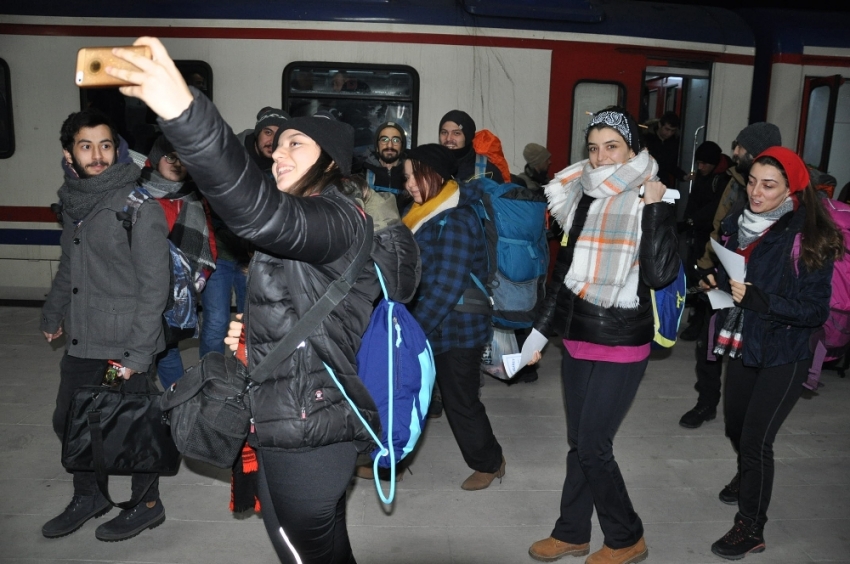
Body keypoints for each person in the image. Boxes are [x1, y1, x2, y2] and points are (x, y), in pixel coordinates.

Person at [108, 37, 417, 563]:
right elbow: (312, 306)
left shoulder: (335, 217)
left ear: (330, 162)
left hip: (308, 432)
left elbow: (252, 211)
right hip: (300, 416)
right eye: (278, 144)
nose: (278, 152)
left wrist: (186, 113)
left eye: (297, 143)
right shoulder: (315, 220)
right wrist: (256, 333)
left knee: (303, 552)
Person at [527, 107, 679, 564]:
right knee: (581, 444)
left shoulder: (657, 196)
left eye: (611, 146)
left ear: (632, 147)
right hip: (577, 336)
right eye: (593, 149)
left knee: (594, 446)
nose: (600, 158)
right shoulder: (585, 196)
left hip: (623, 339)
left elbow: (659, 274)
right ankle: (572, 532)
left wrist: (653, 208)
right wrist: (538, 335)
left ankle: (626, 536)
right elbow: (564, 274)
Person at [703, 146, 841, 560]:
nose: (756, 193)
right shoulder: (736, 223)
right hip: (745, 340)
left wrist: (763, 301)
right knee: (735, 427)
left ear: (791, 189)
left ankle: (750, 528)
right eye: (751, 182)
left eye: (769, 185)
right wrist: (717, 282)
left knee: (756, 441)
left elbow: (815, 309)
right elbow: (739, 280)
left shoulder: (808, 235)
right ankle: (747, 476)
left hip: (786, 349)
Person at [40, 108, 170, 541]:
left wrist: (136, 355)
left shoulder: (137, 208)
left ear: (118, 151)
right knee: (70, 419)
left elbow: (155, 288)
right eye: (86, 145)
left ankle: (147, 503)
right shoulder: (74, 204)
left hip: (122, 348)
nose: (97, 155)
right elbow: (68, 267)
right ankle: (90, 494)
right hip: (81, 340)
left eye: (105, 145)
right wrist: (53, 311)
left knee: (132, 422)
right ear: (69, 153)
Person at [401, 143, 506, 491]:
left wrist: (412, 330)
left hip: (458, 329)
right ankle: (390, 461)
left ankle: (489, 462)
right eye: (406, 178)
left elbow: (447, 284)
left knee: (460, 400)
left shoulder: (457, 218)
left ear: (435, 175)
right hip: (429, 321)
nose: (410, 185)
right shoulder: (423, 213)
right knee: (405, 395)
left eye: (415, 176)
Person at [679, 122, 782, 429]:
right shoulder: (735, 179)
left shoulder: (779, 186)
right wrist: (706, 264)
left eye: (740, 146)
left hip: (759, 286)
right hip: (724, 276)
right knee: (708, 345)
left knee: (749, 355)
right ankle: (706, 403)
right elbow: (720, 225)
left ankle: (748, 415)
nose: (734, 151)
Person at [198, 106, 286, 359]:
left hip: (259, 256)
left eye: (278, 135)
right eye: (267, 132)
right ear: (257, 134)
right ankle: (208, 380)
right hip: (223, 252)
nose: (272, 140)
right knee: (216, 322)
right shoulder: (231, 158)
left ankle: (244, 377)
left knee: (254, 322)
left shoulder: (284, 166)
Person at [139, 135, 216, 388]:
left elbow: (208, 241)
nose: (178, 163)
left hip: (176, 291)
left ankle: (178, 403)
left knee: (167, 346)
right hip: (137, 286)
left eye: (184, 158)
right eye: (171, 156)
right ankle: (126, 403)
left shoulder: (192, 197)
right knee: (133, 349)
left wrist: (201, 275)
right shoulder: (134, 193)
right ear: (155, 158)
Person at [678, 141, 730, 342]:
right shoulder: (706, 175)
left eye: (704, 163)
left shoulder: (724, 179)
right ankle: (696, 318)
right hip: (697, 233)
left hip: (712, 236)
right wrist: (688, 221)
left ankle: (701, 322)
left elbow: (716, 208)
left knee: (706, 279)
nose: (700, 167)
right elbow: (694, 199)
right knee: (695, 274)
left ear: (714, 163)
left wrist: (692, 220)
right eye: (698, 163)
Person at [355, 121, 411, 213]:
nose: (390, 145)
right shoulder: (361, 173)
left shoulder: (412, 176)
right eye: (384, 140)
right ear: (377, 146)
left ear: (402, 147)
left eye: (396, 140)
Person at [439, 110, 504, 184]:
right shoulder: (430, 167)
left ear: (468, 137)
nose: (448, 138)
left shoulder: (488, 171)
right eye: (444, 132)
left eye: (456, 133)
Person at [642, 111, 693, 187]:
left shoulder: (674, 142)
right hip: (645, 179)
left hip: (662, 181)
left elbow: (671, 165)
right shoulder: (646, 138)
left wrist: (683, 176)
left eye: (673, 131)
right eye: (667, 129)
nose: (669, 133)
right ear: (660, 125)